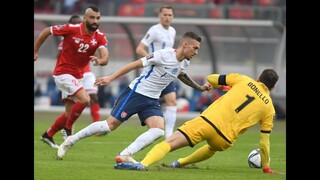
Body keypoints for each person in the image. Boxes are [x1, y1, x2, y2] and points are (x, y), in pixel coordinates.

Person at [57, 32, 212, 161]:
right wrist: (110, 77)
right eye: (195, 48)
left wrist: (199, 88)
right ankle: (72, 140)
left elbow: (181, 75)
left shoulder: (185, 62)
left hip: (152, 99)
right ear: (185, 45)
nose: (196, 52)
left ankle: (125, 154)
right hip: (137, 93)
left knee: (158, 130)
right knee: (109, 126)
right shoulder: (162, 55)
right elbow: (135, 64)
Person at [114, 69, 280, 174]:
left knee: (170, 142)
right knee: (211, 148)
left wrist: (222, 86)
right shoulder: (269, 109)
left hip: (207, 122)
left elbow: (212, 78)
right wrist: (266, 167)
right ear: (272, 88)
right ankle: (180, 163)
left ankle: (143, 164)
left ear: (258, 78)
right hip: (225, 138)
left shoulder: (243, 80)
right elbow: (264, 142)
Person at [34, 5, 109, 149]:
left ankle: (48, 135)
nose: (95, 21)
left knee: (69, 112)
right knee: (86, 99)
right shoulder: (72, 29)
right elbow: (46, 31)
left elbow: (105, 56)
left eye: (98, 18)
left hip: (78, 76)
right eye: (92, 17)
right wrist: (35, 51)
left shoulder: (99, 36)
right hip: (63, 73)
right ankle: (68, 129)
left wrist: (101, 60)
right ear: (85, 18)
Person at [135, 5, 177, 140]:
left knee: (173, 101)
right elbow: (140, 49)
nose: (167, 17)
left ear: (173, 16)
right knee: (152, 99)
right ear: (159, 16)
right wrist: (152, 59)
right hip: (153, 72)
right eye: (165, 14)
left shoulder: (172, 31)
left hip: (167, 72)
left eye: (170, 15)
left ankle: (169, 135)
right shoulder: (154, 30)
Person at [57, 14, 103, 139]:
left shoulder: (92, 35)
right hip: (69, 74)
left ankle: (96, 127)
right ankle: (58, 131)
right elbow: (59, 56)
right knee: (70, 109)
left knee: (93, 97)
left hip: (86, 73)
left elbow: (100, 47)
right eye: (76, 23)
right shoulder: (66, 39)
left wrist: (99, 58)